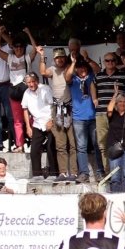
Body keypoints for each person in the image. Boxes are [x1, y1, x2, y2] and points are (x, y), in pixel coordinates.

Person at [38, 47, 76, 182]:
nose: (59, 59)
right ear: (54, 59)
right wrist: (41, 56)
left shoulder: (71, 68)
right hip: (57, 108)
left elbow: (70, 78)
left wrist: (73, 62)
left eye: (61, 57)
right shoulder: (53, 69)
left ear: (65, 57)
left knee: (73, 143)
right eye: (57, 58)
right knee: (60, 143)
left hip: (70, 107)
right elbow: (42, 72)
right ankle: (63, 172)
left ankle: (74, 172)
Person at [94, 50, 125, 174]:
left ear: (116, 61)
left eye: (113, 60)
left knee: (119, 143)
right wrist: (94, 98)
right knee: (102, 144)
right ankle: (108, 172)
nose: (110, 62)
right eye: (107, 60)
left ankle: (120, 171)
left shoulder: (124, 75)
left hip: (117, 114)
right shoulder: (98, 76)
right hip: (101, 113)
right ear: (104, 62)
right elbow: (92, 85)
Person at [3, 29, 38, 153]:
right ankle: (20, 145)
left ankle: (35, 143)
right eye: (16, 47)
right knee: (17, 121)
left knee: (32, 118)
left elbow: (35, 49)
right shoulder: (10, 58)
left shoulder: (27, 58)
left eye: (21, 47)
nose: (18, 49)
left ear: (24, 48)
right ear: (13, 47)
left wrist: (29, 33)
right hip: (14, 92)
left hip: (27, 91)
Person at [21, 73, 56, 182]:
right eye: (29, 82)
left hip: (49, 121)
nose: (31, 84)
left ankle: (54, 174)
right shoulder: (26, 93)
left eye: (33, 81)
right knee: (34, 149)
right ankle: (37, 175)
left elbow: (53, 105)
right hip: (37, 123)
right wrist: (28, 126)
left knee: (51, 148)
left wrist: (52, 121)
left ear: (37, 81)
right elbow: (25, 109)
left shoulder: (46, 89)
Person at [69, 60, 100, 183]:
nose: (82, 70)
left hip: (93, 117)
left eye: (84, 67)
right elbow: (67, 77)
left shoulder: (92, 76)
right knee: (81, 147)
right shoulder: (73, 79)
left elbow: (98, 69)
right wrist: (73, 63)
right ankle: (84, 173)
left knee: (97, 145)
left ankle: (100, 172)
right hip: (78, 118)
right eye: (79, 68)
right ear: (76, 69)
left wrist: (88, 60)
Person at [105, 93, 125, 193]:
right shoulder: (113, 114)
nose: (123, 104)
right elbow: (109, 109)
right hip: (114, 148)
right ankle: (115, 197)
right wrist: (114, 96)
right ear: (116, 103)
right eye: (120, 102)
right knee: (115, 177)